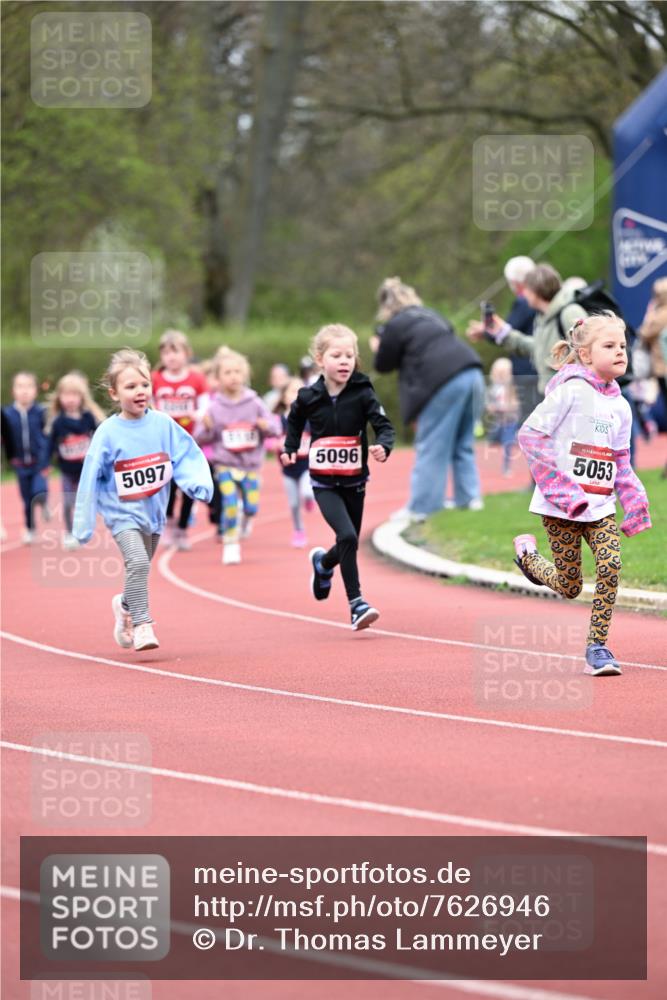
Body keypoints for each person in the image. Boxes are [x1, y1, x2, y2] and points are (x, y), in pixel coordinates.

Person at [513, 313, 651, 676]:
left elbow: (620, 460)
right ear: (586, 355)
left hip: (601, 508)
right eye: (609, 346)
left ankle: (598, 647)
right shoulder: (571, 392)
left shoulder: (621, 406)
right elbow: (530, 436)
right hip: (561, 508)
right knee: (570, 585)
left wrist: (635, 501)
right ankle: (528, 557)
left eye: (623, 346)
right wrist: (561, 490)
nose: (620, 352)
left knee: (610, 565)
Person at [73, 349, 213, 652]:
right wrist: (83, 524)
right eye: (131, 386)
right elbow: (89, 477)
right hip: (121, 513)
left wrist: (198, 484)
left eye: (145, 385)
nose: (140, 392)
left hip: (154, 512)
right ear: (114, 393)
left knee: (141, 568)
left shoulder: (163, 424)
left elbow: (186, 454)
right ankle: (142, 624)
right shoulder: (107, 433)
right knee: (137, 562)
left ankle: (124, 604)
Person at [282, 324, 395, 631]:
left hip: (355, 480)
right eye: (336, 355)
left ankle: (323, 564)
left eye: (350, 355)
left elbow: (383, 425)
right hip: (323, 482)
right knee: (346, 536)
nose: (344, 361)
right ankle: (356, 603)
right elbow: (294, 420)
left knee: (349, 541)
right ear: (320, 359)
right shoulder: (309, 395)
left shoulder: (363, 392)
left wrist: (384, 445)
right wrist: (290, 447)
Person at [370, 277, 484, 519]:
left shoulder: (395, 324)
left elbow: (383, 364)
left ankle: (422, 508)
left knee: (432, 445)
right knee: (462, 442)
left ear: (386, 306)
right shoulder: (432, 314)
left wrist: (377, 347)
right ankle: (470, 499)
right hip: (473, 373)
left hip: (444, 382)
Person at [196, 347, 279, 565]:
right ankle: (231, 543)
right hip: (225, 464)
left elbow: (274, 427)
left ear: (245, 375)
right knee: (230, 503)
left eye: (237, 372)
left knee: (251, 507)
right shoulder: (214, 407)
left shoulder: (255, 402)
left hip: (250, 465)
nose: (233, 376)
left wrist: (265, 426)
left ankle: (244, 521)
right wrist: (206, 428)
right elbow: (201, 437)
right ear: (217, 378)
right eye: (228, 372)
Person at [468, 263, 587, 400]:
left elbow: (588, 352)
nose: (523, 294)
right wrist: (504, 333)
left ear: (536, 291)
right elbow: (539, 348)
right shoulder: (544, 317)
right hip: (553, 396)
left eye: (526, 289)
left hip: (571, 397)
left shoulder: (569, 312)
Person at [152, 330, 208, 551]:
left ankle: (183, 528)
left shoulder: (196, 378)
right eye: (166, 353)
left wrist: (199, 414)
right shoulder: (155, 378)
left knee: (188, 487)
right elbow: (149, 402)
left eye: (176, 352)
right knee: (166, 485)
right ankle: (167, 522)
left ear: (187, 353)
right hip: (164, 443)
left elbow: (205, 404)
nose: (171, 357)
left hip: (189, 442)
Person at [47, 372, 106, 549]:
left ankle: (83, 530)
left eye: (74, 394)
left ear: (82, 397)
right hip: (67, 470)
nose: (70, 399)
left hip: (86, 471)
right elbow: (49, 444)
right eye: (66, 395)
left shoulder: (88, 418)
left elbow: (102, 435)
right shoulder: (58, 422)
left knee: (85, 502)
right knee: (67, 502)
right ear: (60, 397)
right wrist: (46, 463)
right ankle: (68, 532)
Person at [1, 371, 50, 544]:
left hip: (39, 463)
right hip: (20, 463)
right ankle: (30, 529)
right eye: (20, 386)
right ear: (13, 391)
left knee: (39, 490)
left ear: (35, 390)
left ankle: (44, 502)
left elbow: (49, 434)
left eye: (29, 386)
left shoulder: (41, 411)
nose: (24, 391)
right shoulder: (6, 414)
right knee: (27, 499)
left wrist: (47, 453)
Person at [275, 377, 315, 548]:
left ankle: (309, 498)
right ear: (284, 397)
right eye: (293, 391)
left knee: (307, 492)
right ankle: (299, 530)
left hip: (306, 466)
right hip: (288, 469)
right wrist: (275, 443)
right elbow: (268, 438)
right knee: (293, 504)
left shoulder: (310, 419)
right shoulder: (278, 421)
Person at [503, 256, 539, 423]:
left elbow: (507, 332)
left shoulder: (523, 301)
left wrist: (488, 331)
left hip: (528, 370)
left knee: (531, 422)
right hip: (541, 368)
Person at [485, 358, 520, 477]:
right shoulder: (493, 388)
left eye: (503, 373)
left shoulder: (511, 388)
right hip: (498, 420)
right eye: (498, 373)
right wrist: (493, 407)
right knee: (493, 441)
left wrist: (508, 407)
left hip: (509, 420)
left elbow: (515, 404)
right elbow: (488, 404)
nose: (501, 376)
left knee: (507, 443)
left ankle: (506, 467)